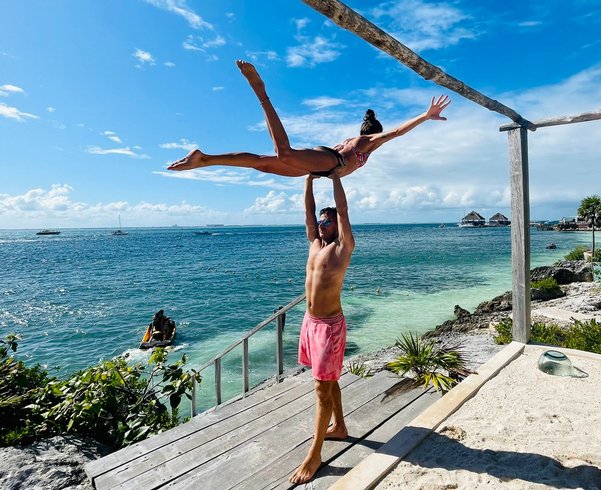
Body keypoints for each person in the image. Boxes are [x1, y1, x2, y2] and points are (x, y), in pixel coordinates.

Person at [167, 60, 451, 178]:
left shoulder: (355, 140)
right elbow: (397, 132)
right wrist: (425, 116)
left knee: (262, 163)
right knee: (284, 152)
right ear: (374, 131)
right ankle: (260, 91)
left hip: (321, 168)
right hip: (328, 163)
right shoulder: (367, 141)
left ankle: (205, 159)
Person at [289, 171, 354, 484]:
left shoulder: (343, 249)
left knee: (321, 389)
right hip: (310, 322)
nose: (323, 224)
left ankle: (314, 455)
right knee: (329, 381)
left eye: (328, 221)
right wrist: (309, 180)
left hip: (329, 327)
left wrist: (336, 177)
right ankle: (339, 427)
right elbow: (307, 212)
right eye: (322, 221)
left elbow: (343, 210)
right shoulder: (314, 244)